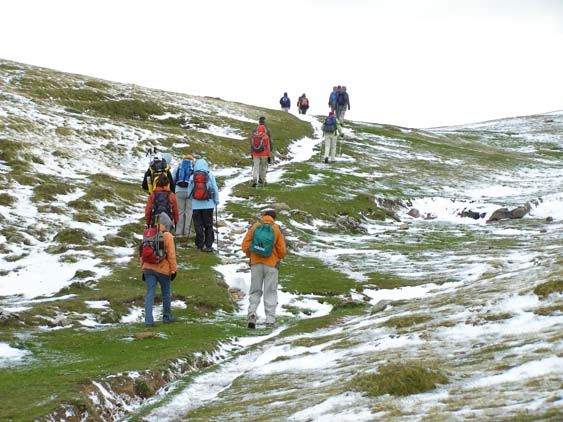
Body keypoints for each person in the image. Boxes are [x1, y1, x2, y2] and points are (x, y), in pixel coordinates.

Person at [241, 209, 286, 329]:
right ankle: (270, 319)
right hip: (271, 265)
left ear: (263, 216)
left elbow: (245, 244)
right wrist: (277, 257)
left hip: (256, 263)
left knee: (255, 290)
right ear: (274, 218)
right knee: (270, 291)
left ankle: (252, 314)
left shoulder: (255, 226)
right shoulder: (276, 229)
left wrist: (252, 254)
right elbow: (282, 250)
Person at [141, 212, 177, 327]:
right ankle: (167, 316)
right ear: (167, 223)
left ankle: (148, 320)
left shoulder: (147, 234)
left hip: (148, 268)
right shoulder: (167, 236)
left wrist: (143, 268)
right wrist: (173, 270)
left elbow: (142, 253)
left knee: (149, 293)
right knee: (165, 292)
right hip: (162, 269)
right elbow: (171, 255)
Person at [187, 158, 219, 252]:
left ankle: (199, 244)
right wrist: (216, 200)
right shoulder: (210, 175)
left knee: (198, 225)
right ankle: (209, 245)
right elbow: (215, 188)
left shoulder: (192, 177)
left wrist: (191, 201)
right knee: (208, 225)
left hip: (196, 205)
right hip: (208, 205)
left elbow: (189, 192)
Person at [172, 154, 195, 238]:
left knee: (180, 211)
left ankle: (178, 232)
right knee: (189, 212)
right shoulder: (193, 167)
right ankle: (187, 232)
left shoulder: (178, 166)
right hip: (189, 191)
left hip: (179, 190)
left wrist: (174, 188)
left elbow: (173, 177)